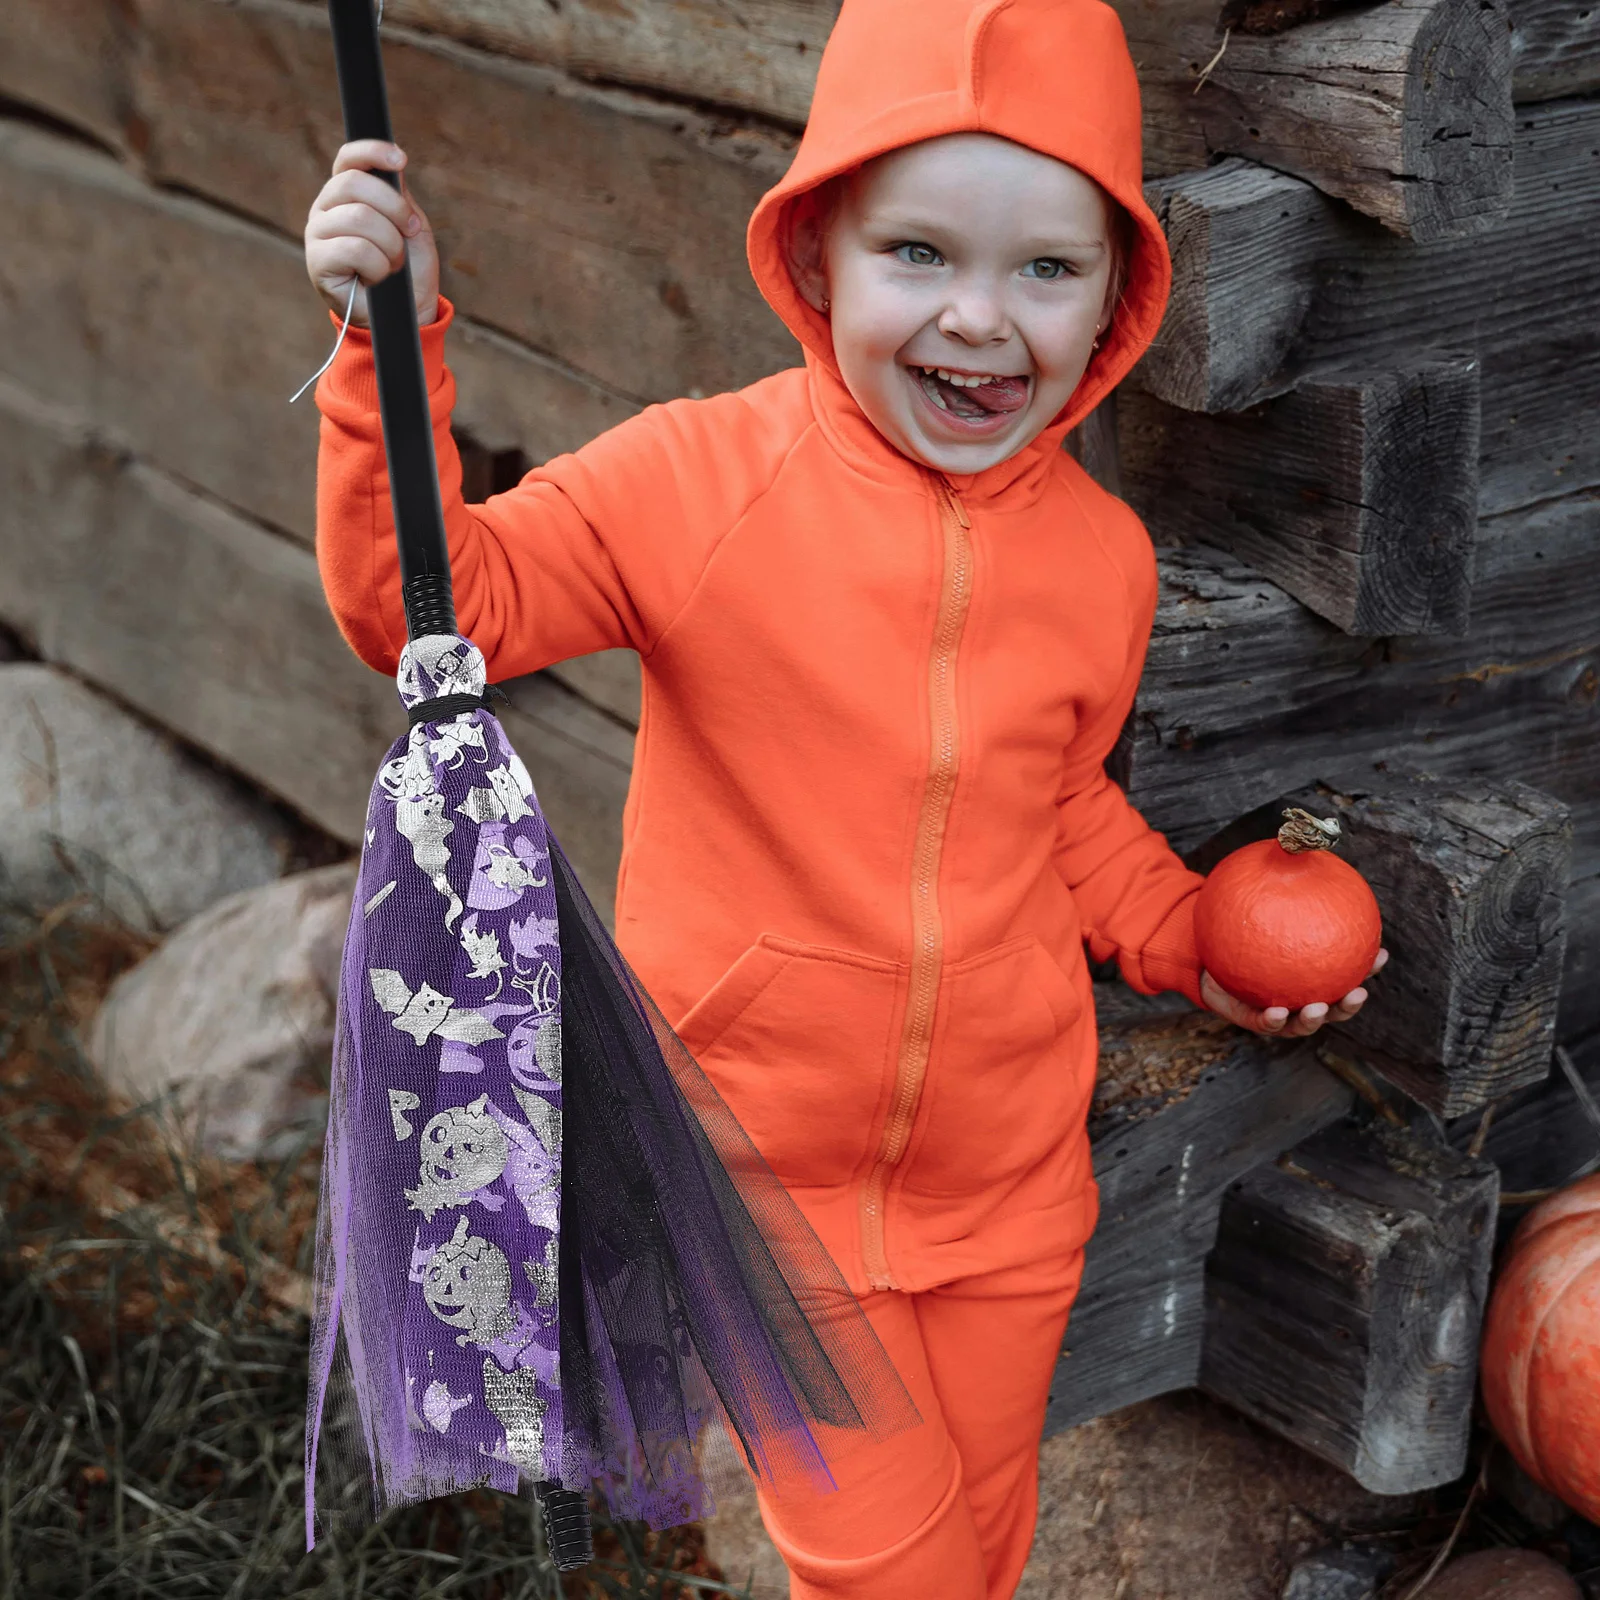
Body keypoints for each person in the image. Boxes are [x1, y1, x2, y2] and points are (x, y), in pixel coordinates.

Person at [304, 0, 1388, 1592]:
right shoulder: (698, 485)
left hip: (1013, 1188)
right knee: (895, 1575)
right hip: (771, 1189)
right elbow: (428, 610)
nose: (982, 322)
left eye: (1046, 268)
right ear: (817, 257)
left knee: (985, 1543)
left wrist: (1189, 939)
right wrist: (378, 351)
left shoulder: (1101, 560)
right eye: (920, 255)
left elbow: (1059, 803)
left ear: (1118, 300)